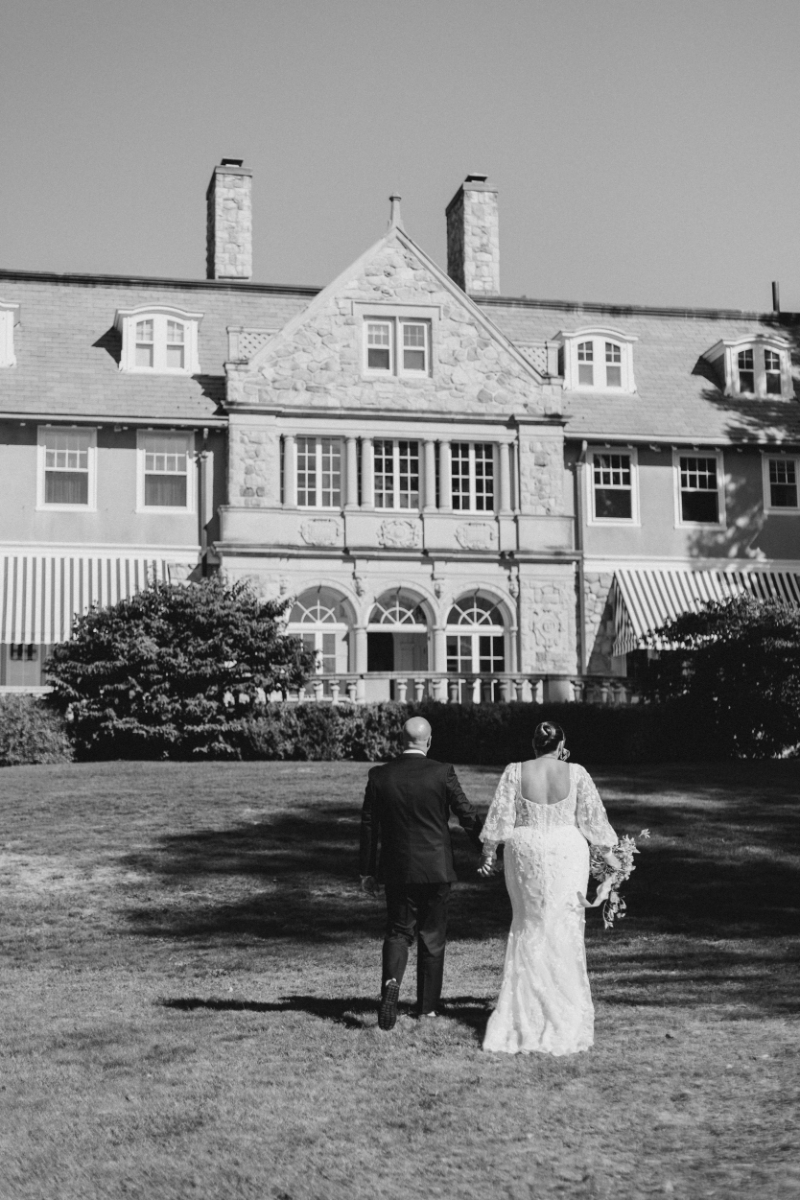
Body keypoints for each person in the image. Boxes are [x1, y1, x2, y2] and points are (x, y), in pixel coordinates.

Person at [477, 721, 620, 1056]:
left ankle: (525, 1012)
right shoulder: (577, 773)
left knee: (528, 925)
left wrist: (488, 855)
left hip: (524, 849)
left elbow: (500, 819)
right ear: (561, 744)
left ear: (533, 744)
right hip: (565, 851)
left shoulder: (515, 771)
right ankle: (562, 1011)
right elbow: (593, 822)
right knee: (563, 926)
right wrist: (611, 860)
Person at [359, 715, 484, 1030]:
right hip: (436, 867)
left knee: (398, 931)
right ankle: (426, 1008)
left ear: (401, 741)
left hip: (398, 868)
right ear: (428, 741)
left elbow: (368, 826)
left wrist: (366, 871)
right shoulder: (443, 773)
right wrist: (486, 846)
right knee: (432, 936)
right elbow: (465, 814)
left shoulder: (379, 776)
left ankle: (391, 982)